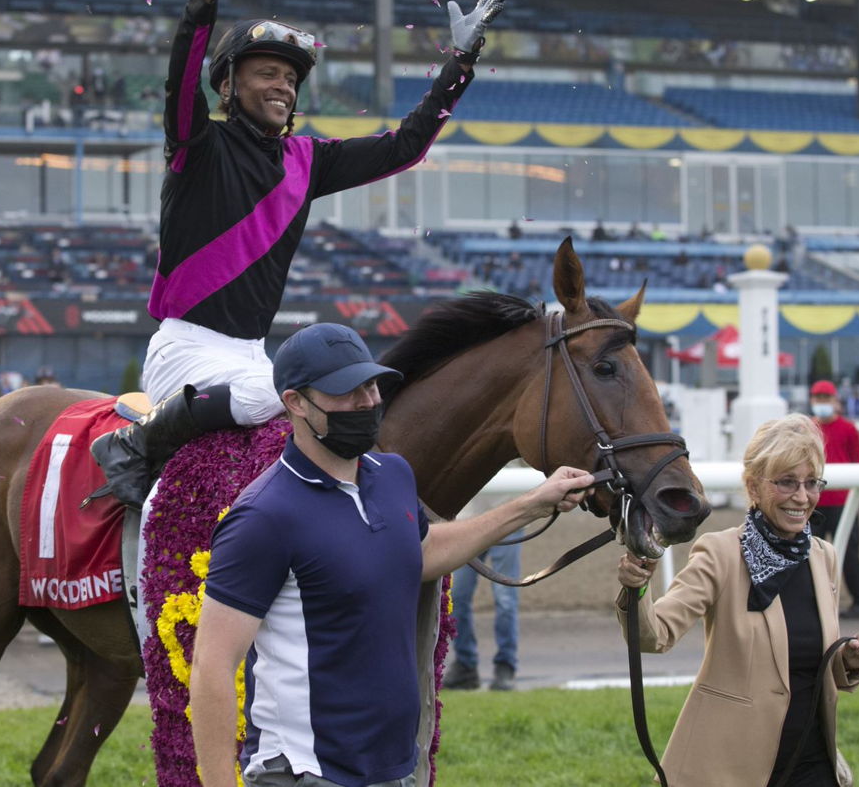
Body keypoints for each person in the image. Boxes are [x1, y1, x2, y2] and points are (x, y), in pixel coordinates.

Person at [91, 0, 511, 509]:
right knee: (294, 394)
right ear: (229, 84)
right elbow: (182, 69)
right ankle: (133, 443)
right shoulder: (196, 143)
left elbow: (406, 148)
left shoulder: (308, 160)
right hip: (186, 349)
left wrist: (461, 62)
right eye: (267, 73)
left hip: (247, 357)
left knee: (325, 403)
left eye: (290, 78)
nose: (282, 86)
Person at [189, 323, 594, 787]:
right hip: (304, 772)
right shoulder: (263, 517)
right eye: (346, 392)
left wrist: (532, 504)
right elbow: (213, 666)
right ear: (296, 403)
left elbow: (418, 551)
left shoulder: (394, 475)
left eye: (371, 385)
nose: (367, 402)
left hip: (393, 770)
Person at [615, 414, 859, 787]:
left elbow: (805, 663)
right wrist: (637, 588)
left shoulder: (824, 556)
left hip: (813, 762)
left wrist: (848, 659)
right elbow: (653, 635)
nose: (802, 497)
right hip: (731, 769)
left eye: (811, 483)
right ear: (754, 487)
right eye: (787, 482)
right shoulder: (720, 553)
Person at [442, 493, 522, 692]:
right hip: (468, 521)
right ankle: (465, 665)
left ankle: (505, 666)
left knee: (505, 598)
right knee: (457, 596)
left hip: (508, 519)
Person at [808, 380, 859, 619]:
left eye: (826, 399)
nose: (822, 404)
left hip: (844, 502)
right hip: (813, 502)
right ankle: (814, 602)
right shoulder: (807, 429)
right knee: (810, 556)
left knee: (849, 553)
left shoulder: (848, 429)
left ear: (835, 401)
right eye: (818, 399)